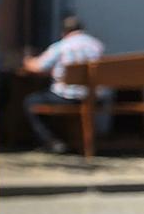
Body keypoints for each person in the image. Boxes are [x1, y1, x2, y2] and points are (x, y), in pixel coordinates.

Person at [22, 15, 105, 153]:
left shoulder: (61, 46)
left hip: (67, 97)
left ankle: (52, 142)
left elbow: (39, 67)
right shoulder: (96, 45)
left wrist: (27, 61)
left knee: (31, 102)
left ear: (64, 31)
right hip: (94, 98)